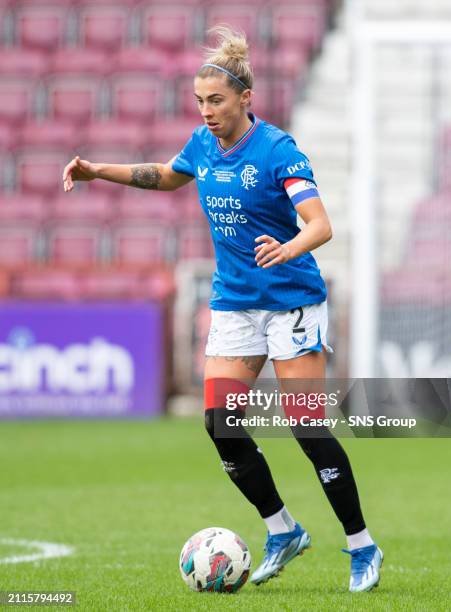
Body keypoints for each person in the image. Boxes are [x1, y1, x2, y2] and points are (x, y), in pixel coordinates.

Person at [63, 26, 383, 593]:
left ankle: (361, 546)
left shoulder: (279, 150)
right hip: (236, 306)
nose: (207, 111)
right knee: (221, 425)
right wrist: (97, 172)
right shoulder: (203, 145)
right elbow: (164, 176)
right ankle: (282, 529)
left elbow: (321, 224)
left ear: (245, 99)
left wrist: (289, 247)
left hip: (291, 304)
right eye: (200, 102)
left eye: (216, 101)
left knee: (307, 427)